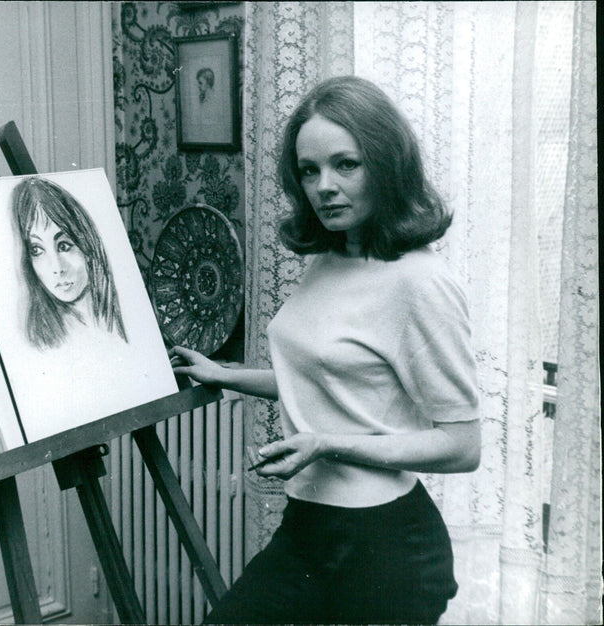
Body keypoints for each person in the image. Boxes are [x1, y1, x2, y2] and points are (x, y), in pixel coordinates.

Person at [170, 75, 481, 624]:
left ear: (386, 164)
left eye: (346, 164)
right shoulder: (327, 261)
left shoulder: (421, 282)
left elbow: (461, 447)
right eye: (309, 171)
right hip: (309, 530)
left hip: (387, 547)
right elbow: (325, 377)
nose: (324, 187)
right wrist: (226, 375)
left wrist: (325, 445)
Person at [11, 176, 128, 348]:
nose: (57, 268)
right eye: (36, 250)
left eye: (64, 246)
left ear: (88, 242)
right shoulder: (42, 342)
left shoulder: (121, 318)